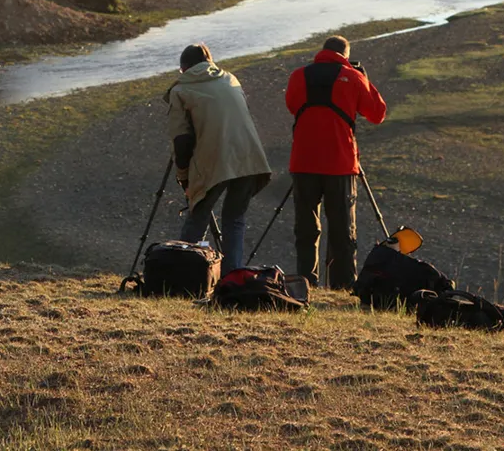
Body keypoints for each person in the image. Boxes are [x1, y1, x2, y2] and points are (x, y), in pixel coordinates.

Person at [286, 35, 387, 289]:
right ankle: (342, 286)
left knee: (306, 228)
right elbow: (377, 113)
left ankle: (305, 283)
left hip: (303, 161)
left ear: (322, 52)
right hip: (339, 163)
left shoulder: (299, 75)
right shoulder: (352, 77)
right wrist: (363, 77)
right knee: (342, 230)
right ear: (345, 54)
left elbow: (292, 105)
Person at [166, 43, 272, 273]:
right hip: (250, 157)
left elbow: (181, 141)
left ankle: (185, 275)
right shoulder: (231, 79)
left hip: (214, 159)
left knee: (198, 215)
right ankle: (231, 277)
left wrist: (184, 178)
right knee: (234, 219)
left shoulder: (180, 90)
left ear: (183, 68)